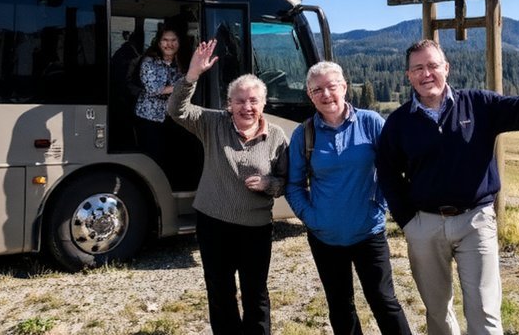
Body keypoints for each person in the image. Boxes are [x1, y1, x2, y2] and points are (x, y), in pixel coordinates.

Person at [376, 39, 519, 335]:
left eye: (432, 65)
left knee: (484, 312)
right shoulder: (399, 122)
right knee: (438, 313)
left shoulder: (479, 104)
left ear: (447, 68)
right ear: (408, 76)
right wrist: (408, 221)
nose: (426, 73)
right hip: (425, 226)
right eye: (418, 68)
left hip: (475, 222)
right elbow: (388, 172)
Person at [167, 38, 289, 335]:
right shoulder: (212, 124)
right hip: (213, 224)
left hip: (256, 228)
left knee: (256, 295)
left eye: (253, 101)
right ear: (228, 103)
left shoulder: (276, 136)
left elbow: (288, 181)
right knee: (220, 293)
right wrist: (192, 75)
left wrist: (269, 183)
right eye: (239, 100)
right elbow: (177, 110)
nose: (247, 107)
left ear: (264, 103)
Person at [286, 61, 413, 335]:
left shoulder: (371, 122)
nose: (326, 94)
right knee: (341, 306)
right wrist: (311, 217)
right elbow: (294, 184)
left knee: (384, 301)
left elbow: (393, 169)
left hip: (369, 232)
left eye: (331, 87)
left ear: (344, 87)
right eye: (317, 90)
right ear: (310, 95)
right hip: (325, 237)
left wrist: (382, 205)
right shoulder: (304, 134)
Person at [133, 27, 184, 184]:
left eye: (173, 40)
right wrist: (183, 85)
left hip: (172, 117)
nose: (169, 44)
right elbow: (153, 89)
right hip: (149, 117)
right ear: (158, 42)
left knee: (171, 156)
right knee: (152, 157)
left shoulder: (180, 62)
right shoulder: (149, 61)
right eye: (165, 40)